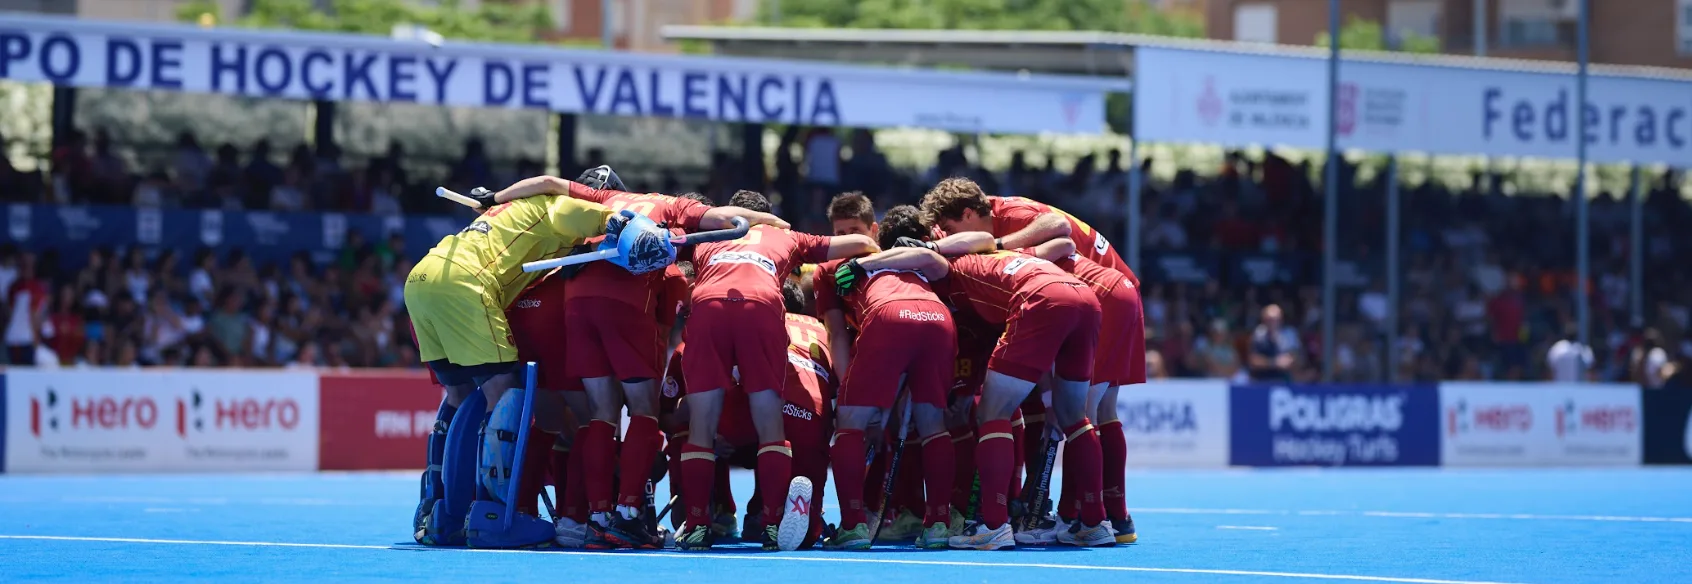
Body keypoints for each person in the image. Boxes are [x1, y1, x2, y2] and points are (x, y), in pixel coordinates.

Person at [511, 168, 788, 549]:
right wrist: (775, 222)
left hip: (577, 298)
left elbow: (546, 182)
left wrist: (492, 200)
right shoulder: (674, 206)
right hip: (624, 301)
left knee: (599, 413)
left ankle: (596, 516)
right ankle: (627, 516)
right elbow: (728, 220)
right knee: (644, 409)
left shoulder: (605, 200)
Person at [404, 168, 677, 547]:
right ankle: (493, 517)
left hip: (421, 280)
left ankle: (439, 512)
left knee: (460, 397)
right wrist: (643, 227)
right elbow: (612, 220)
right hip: (467, 285)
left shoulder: (509, 209)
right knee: (505, 396)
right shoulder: (561, 208)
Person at [841, 205, 1112, 550]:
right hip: (1084, 299)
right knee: (1076, 416)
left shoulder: (951, 263)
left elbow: (929, 259)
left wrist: (865, 262)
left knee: (993, 413)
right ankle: (1094, 520)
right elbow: (1063, 245)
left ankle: (992, 525)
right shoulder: (1001, 252)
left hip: (1040, 301)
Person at [676, 190, 877, 552]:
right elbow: (862, 242)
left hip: (707, 305)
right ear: (769, 216)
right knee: (770, 424)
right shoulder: (788, 236)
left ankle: (696, 526)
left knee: (701, 426)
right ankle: (770, 523)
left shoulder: (707, 233)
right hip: (762, 306)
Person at [813, 193, 958, 550]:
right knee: (933, 425)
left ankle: (852, 527)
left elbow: (836, 335)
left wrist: (849, 394)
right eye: (841, 230)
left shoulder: (829, 270)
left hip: (887, 316)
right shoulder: (908, 257)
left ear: (873, 231)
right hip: (939, 318)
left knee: (849, 425)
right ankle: (938, 524)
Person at [1248, 304, 1300, 383]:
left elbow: (1295, 358)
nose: (1273, 323)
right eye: (1269, 320)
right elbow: (1254, 361)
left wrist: (1289, 361)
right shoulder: (1258, 334)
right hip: (1261, 380)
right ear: (1264, 320)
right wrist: (1274, 363)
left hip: (1284, 380)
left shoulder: (1289, 334)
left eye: (1276, 319)